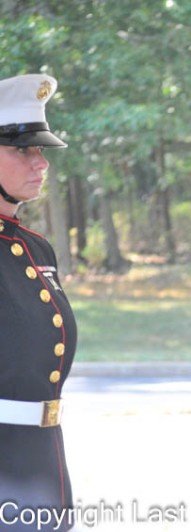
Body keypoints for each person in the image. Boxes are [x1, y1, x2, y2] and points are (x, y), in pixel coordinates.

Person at [0, 74, 77, 531]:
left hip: (42, 455)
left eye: (40, 150)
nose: (41, 162)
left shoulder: (34, 246)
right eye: (22, 150)